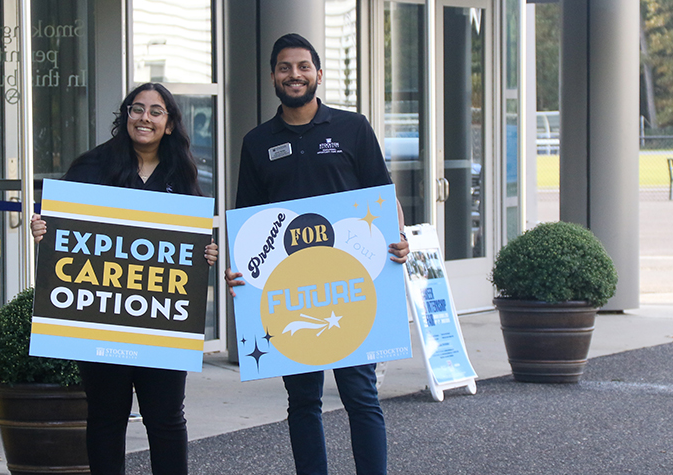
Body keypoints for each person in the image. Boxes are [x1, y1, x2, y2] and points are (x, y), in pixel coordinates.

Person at [224, 34, 409, 475]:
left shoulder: (352, 128)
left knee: (361, 397)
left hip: (350, 286)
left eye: (303, 67)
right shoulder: (256, 142)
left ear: (318, 74)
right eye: (285, 67)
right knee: (303, 401)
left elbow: (382, 196)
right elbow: (248, 219)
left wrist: (399, 236)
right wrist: (241, 270)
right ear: (273, 76)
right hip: (292, 291)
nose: (294, 75)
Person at [30, 82, 219, 475]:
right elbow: (63, 228)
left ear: (169, 124)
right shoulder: (92, 166)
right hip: (105, 319)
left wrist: (207, 253)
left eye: (155, 111)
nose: (144, 118)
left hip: (159, 319)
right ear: (126, 115)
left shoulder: (181, 172)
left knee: (166, 419)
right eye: (137, 109)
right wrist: (44, 232)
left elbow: (192, 242)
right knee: (105, 417)